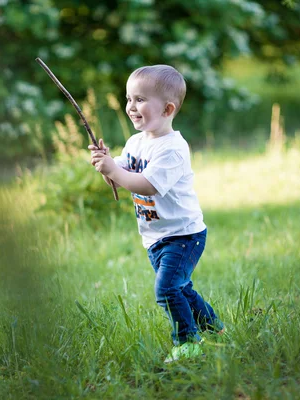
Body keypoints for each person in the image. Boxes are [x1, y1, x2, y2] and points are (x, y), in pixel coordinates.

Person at [89, 64, 224, 363]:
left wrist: (114, 169)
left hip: (183, 235)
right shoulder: (136, 142)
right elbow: (121, 176)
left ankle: (187, 342)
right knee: (181, 287)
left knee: (167, 290)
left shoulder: (173, 149)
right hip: (156, 237)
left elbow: (147, 186)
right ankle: (214, 328)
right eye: (128, 99)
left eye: (140, 100)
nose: (131, 107)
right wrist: (106, 166)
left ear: (167, 109)